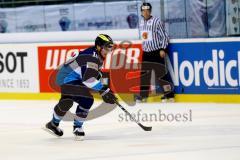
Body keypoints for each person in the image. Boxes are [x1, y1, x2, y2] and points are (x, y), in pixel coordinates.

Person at [44, 34, 118, 140]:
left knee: (67, 102)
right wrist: (104, 90)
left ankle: (53, 124)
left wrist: (100, 80)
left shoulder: (97, 54)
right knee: (87, 100)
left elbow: (89, 72)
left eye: (110, 47)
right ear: (98, 46)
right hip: (68, 78)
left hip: (66, 77)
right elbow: (87, 79)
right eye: (107, 47)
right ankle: (77, 127)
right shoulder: (92, 56)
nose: (109, 50)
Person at [137, 2, 174, 102]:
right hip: (146, 53)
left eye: (147, 10)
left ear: (150, 11)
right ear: (141, 11)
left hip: (157, 52)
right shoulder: (140, 22)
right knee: (144, 75)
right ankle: (143, 95)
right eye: (143, 10)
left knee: (162, 74)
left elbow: (165, 36)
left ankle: (169, 95)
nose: (145, 12)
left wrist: (163, 49)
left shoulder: (156, 21)